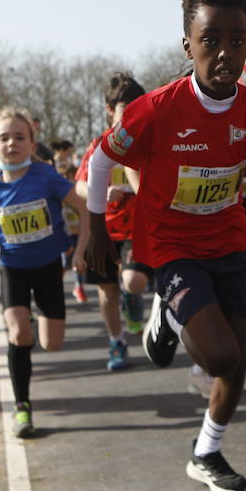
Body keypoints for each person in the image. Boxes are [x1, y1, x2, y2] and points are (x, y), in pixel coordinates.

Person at [83, 0, 246, 491]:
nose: (226, 52)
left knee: (238, 363)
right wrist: (93, 228)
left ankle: (206, 452)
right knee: (220, 358)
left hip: (229, 243)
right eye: (211, 39)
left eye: (237, 39)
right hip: (171, 244)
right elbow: (99, 160)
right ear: (189, 45)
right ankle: (168, 306)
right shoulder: (156, 109)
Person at [0, 108, 86, 437]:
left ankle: (31, 321)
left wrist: (80, 249)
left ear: (32, 145)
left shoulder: (46, 178)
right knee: (20, 335)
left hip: (48, 266)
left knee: (51, 344)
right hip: (13, 269)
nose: (12, 143)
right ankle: (22, 406)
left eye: (20, 137)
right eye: (4, 138)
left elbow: (83, 208)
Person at [74, 72, 150, 371]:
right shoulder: (98, 146)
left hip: (136, 230)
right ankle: (116, 342)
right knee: (107, 293)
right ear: (110, 110)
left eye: (137, 107)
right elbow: (79, 185)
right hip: (103, 230)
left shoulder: (147, 144)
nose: (130, 114)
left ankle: (133, 299)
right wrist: (102, 192)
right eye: (123, 109)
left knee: (134, 281)